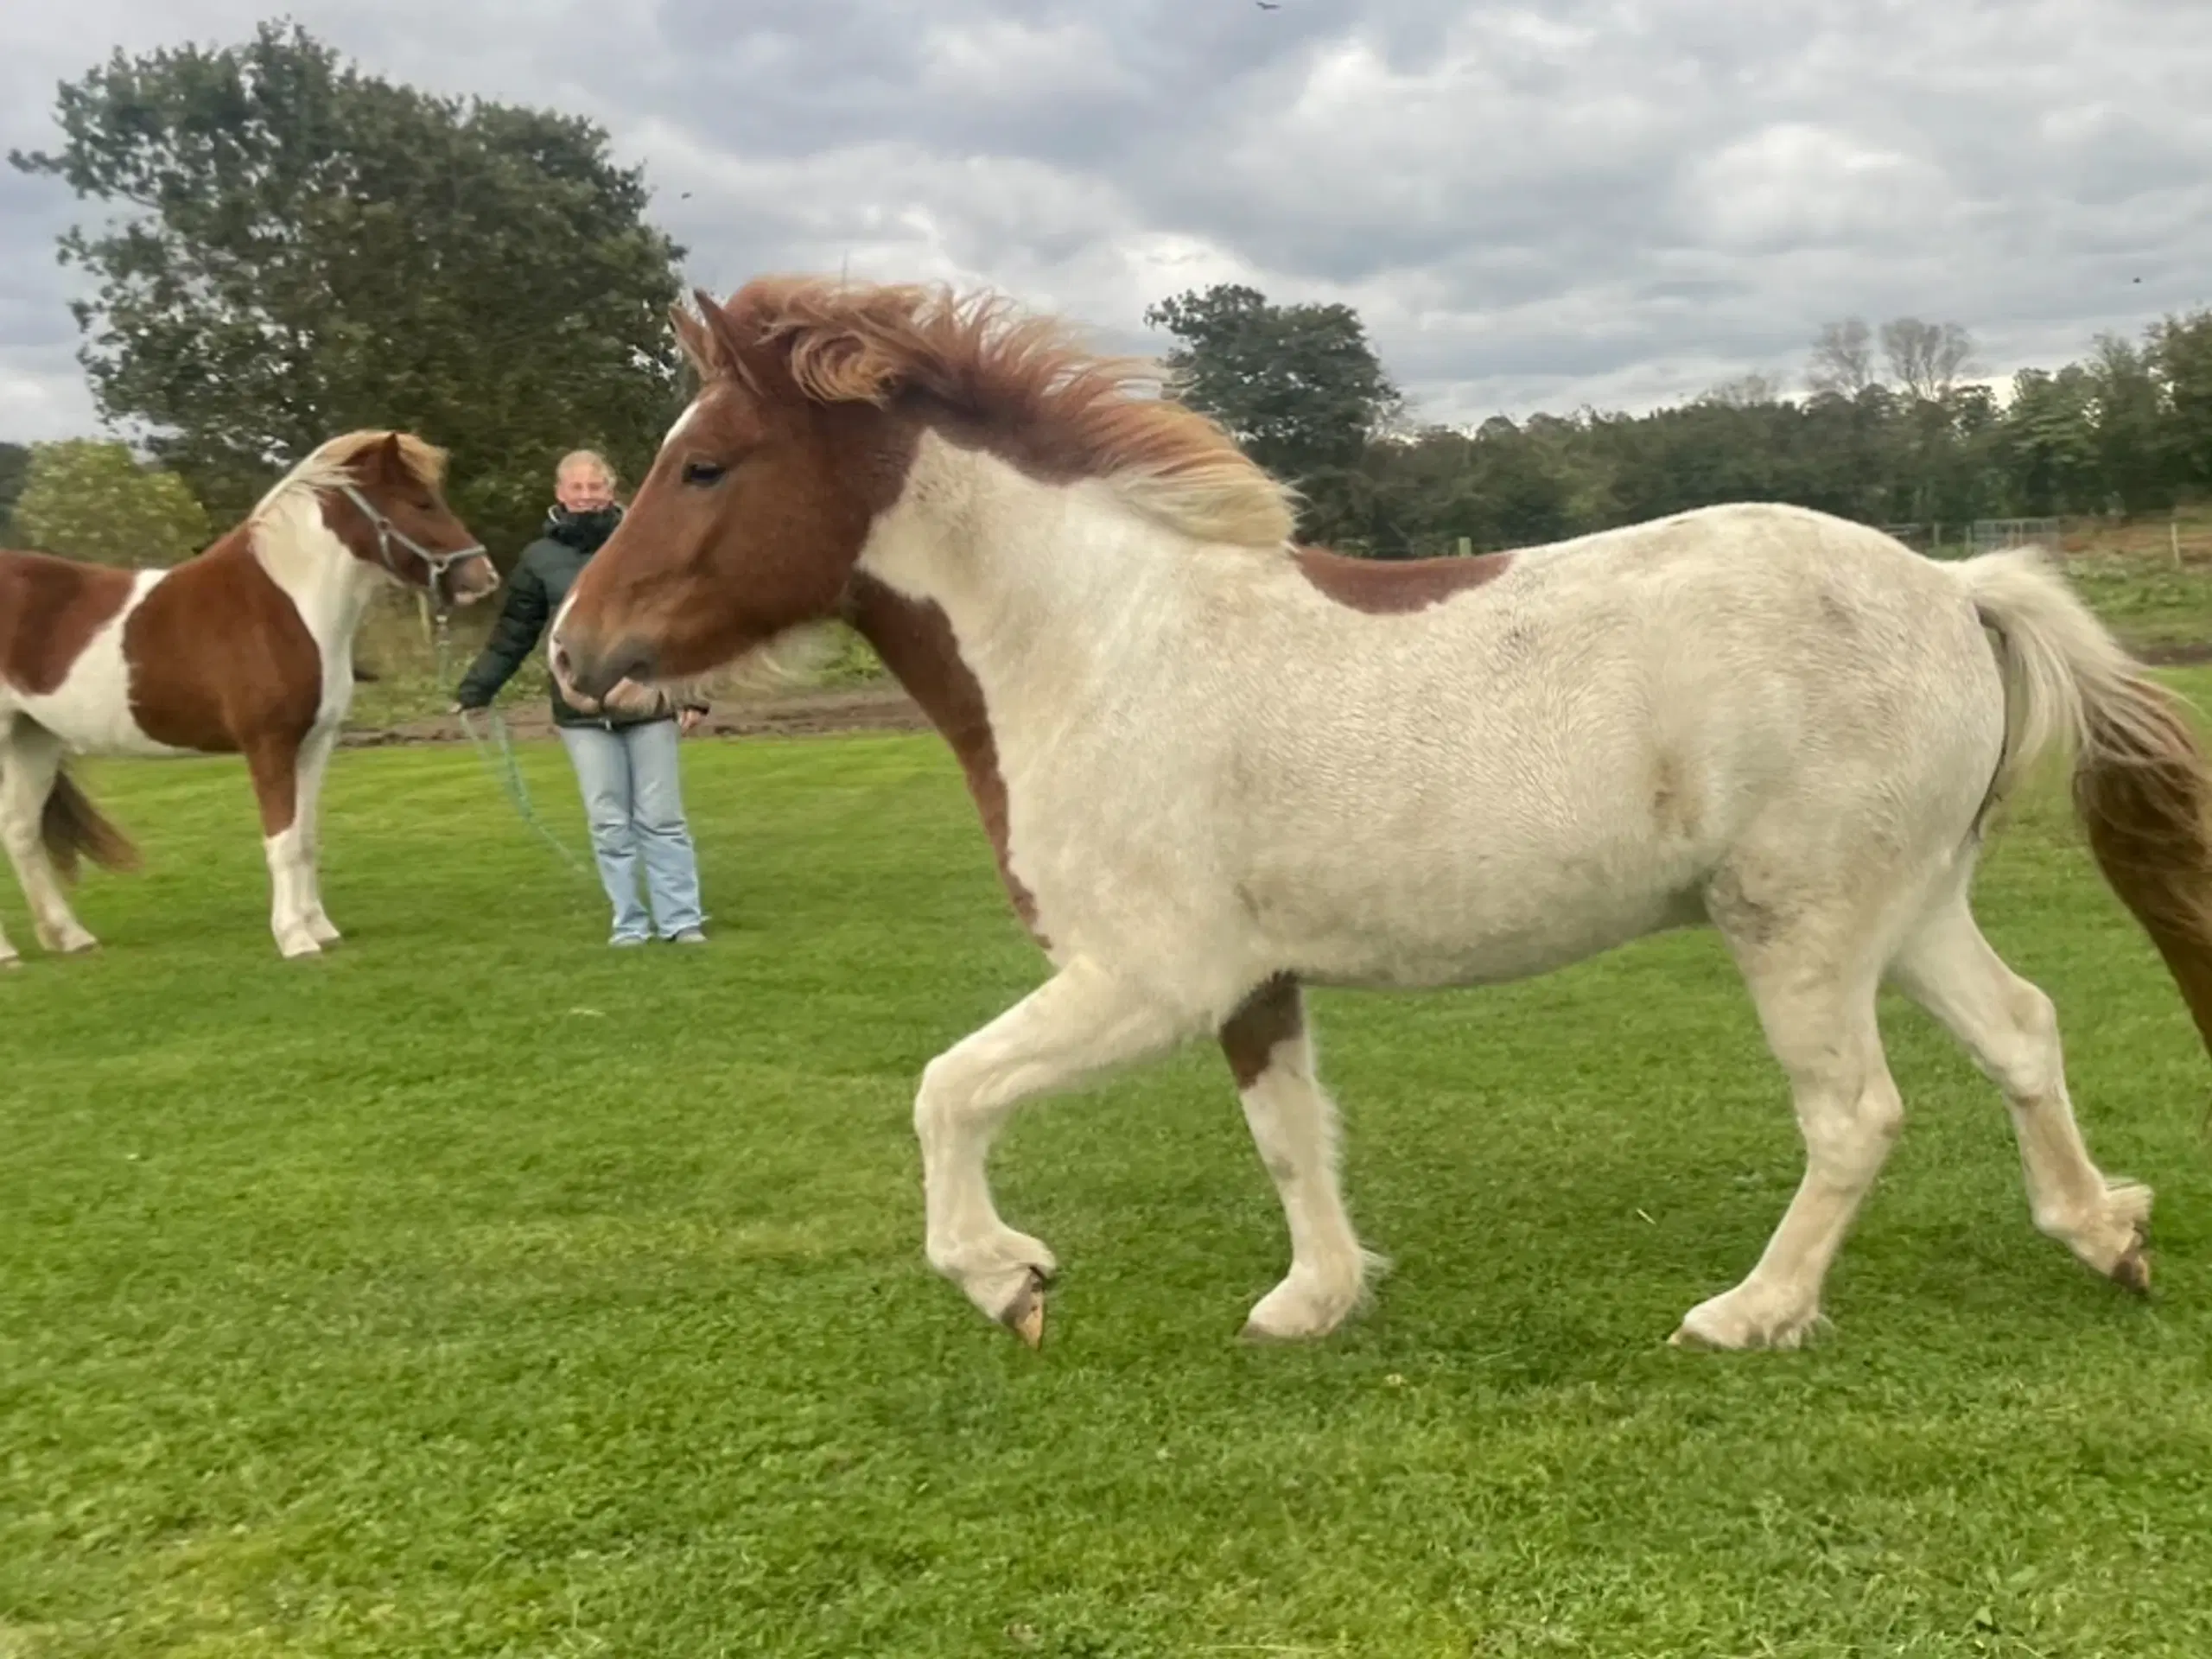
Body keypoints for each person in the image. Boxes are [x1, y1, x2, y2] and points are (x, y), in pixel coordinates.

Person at [453, 449, 711, 947]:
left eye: (596, 486)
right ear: (560, 494)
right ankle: (630, 923)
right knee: (609, 819)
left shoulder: (649, 545)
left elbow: (682, 623)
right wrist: (477, 688)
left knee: (661, 818)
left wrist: (694, 695)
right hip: (580, 712)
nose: (588, 495)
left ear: (611, 491)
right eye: (578, 487)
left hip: (648, 702)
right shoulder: (538, 560)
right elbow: (515, 632)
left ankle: (681, 920)